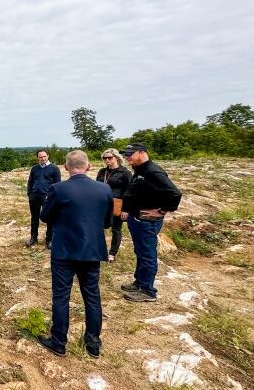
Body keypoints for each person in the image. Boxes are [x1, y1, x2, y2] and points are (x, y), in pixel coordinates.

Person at [37, 150, 112, 359]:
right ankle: (93, 343)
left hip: (64, 250)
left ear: (66, 167)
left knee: (61, 296)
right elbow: (107, 222)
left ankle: (59, 342)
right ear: (88, 167)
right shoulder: (104, 189)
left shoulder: (58, 189)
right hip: (92, 250)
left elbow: (44, 216)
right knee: (92, 296)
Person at [120, 143, 182, 302]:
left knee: (147, 254)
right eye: (126, 155)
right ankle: (140, 282)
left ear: (141, 153)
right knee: (140, 252)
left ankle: (148, 291)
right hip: (137, 219)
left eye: (130, 154)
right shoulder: (141, 170)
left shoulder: (153, 171)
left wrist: (161, 211)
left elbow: (174, 194)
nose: (127, 158)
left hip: (147, 222)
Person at [95, 148, 132, 262]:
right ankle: (98, 250)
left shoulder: (125, 172)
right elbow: (96, 187)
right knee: (98, 227)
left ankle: (112, 253)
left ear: (116, 158)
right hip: (102, 204)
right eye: (105, 158)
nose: (107, 160)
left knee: (116, 229)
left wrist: (126, 209)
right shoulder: (102, 171)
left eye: (109, 157)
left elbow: (129, 192)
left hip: (117, 205)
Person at [27, 150, 62, 249]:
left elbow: (57, 184)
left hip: (48, 198)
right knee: (34, 218)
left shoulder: (54, 169)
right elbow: (30, 182)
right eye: (40, 157)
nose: (43, 158)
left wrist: (52, 196)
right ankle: (33, 238)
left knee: (50, 218)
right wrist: (30, 194)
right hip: (34, 197)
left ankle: (49, 240)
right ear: (37, 158)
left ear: (48, 156)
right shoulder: (34, 169)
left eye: (44, 156)